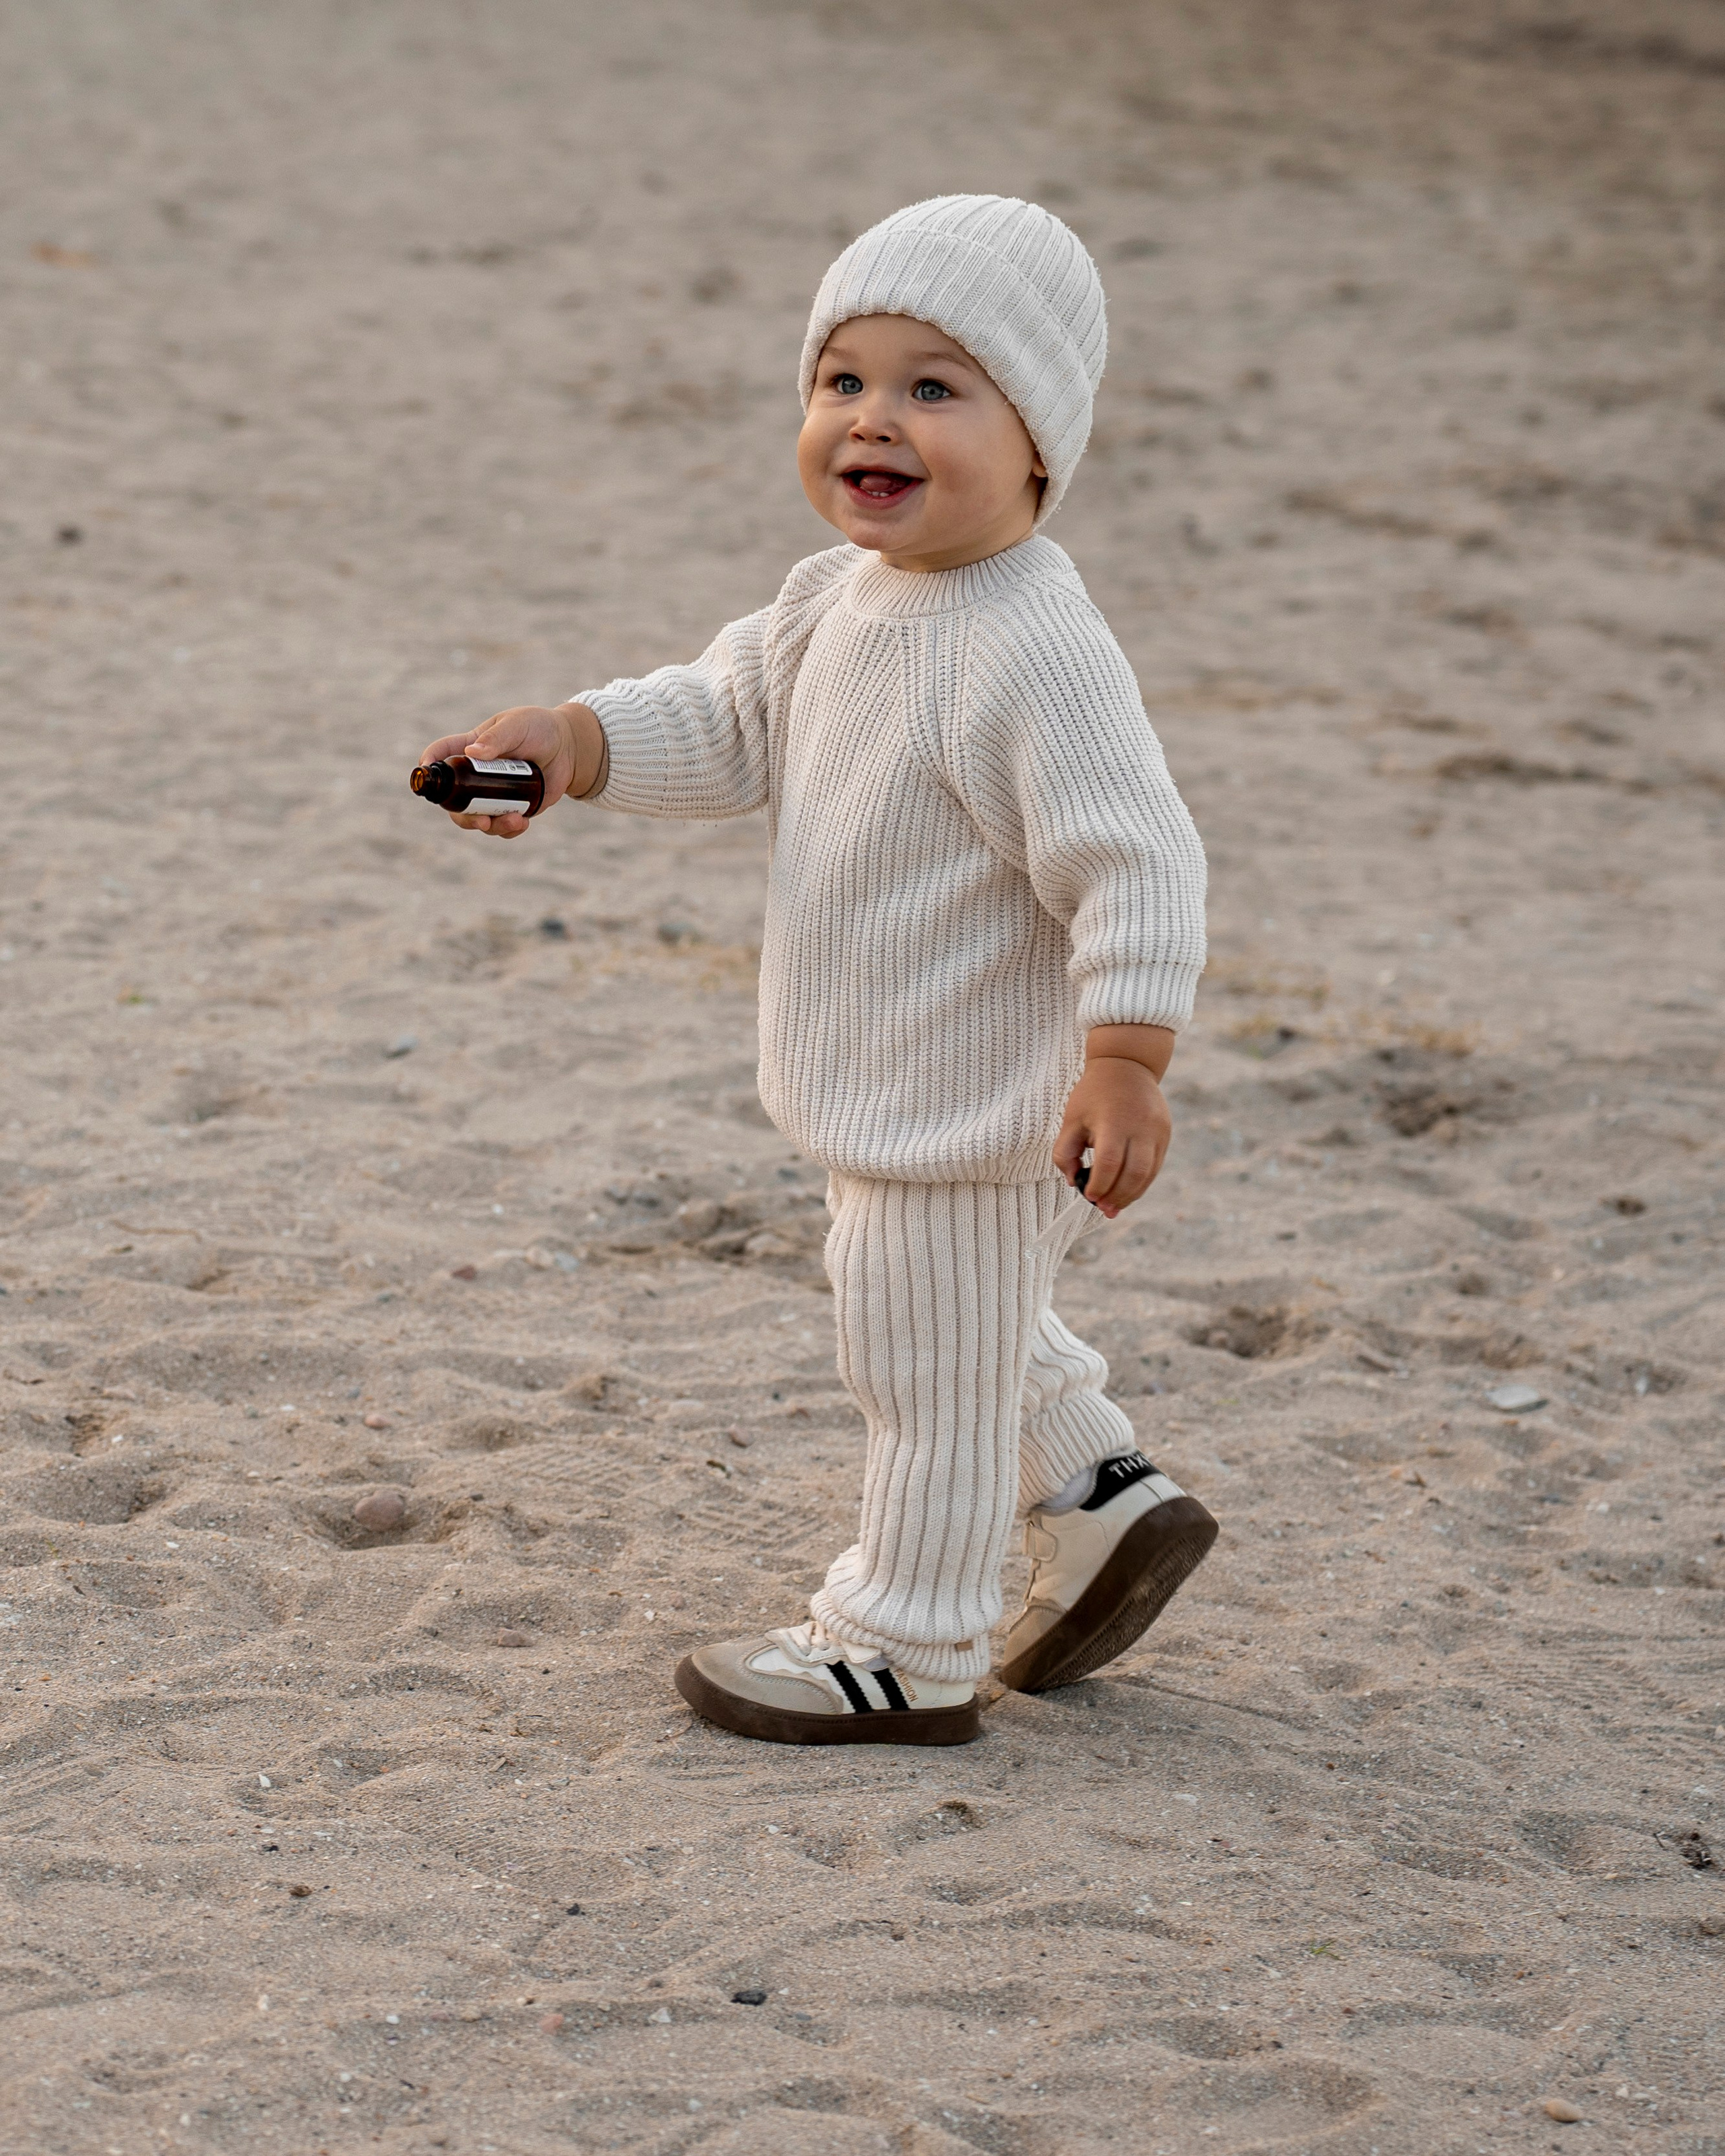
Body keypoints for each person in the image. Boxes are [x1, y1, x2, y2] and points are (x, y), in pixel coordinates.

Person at [417, 195, 1216, 1746]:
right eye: (842, 379)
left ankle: (902, 1643)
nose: (873, 419)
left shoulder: (1028, 641)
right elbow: (723, 722)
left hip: (973, 1105)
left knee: (916, 1362)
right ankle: (1102, 1493)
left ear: (1039, 438)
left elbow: (1135, 854)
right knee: (964, 1328)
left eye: (935, 387)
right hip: (888, 1086)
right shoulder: (827, 600)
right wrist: (570, 744)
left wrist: (1124, 1052)